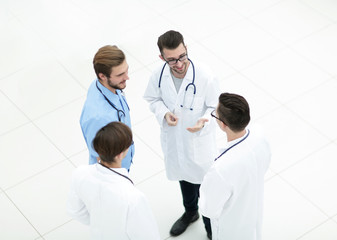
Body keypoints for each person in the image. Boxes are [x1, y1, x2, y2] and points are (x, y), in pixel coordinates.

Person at [143, 30, 219, 239]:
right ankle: (190, 213)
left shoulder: (204, 75)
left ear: (186, 49)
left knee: (205, 190)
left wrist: (205, 121)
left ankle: (210, 228)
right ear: (162, 58)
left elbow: (215, 107)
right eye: (172, 60)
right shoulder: (158, 75)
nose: (178, 63)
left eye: (182, 56)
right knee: (184, 180)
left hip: (199, 143)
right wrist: (164, 113)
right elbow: (152, 100)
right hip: (176, 142)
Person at [67, 122, 160, 240]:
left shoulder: (80, 173)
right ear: (120, 155)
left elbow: (76, 211)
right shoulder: (133, 198)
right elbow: (148, 236)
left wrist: (100, 223)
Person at [199, 93, 271, 240]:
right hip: (253, 211)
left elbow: (209, 209)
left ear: (223, 124)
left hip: (231, 228)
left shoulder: (220, 169)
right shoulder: (260, 135)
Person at [80, 45, 134, 170]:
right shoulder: (98, 118)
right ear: (103, 76)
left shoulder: (104, 85)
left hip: (122, 161)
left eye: (126, 70)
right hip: (114, 173)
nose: (127, 77)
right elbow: (102, 159)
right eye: (120, 74)